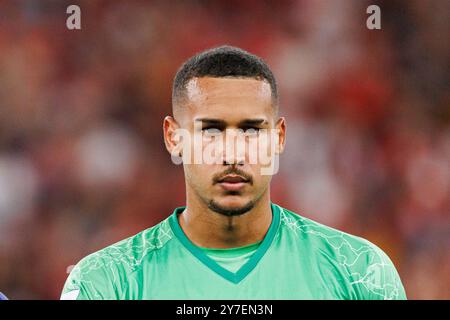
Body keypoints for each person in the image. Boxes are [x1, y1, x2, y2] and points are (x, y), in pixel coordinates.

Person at [61, 46, 406, 300]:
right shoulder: (106, 282)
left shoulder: (360, 273)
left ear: (279, 138)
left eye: (251, 131)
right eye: (210, 130)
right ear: (173, 138)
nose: (232, 152)